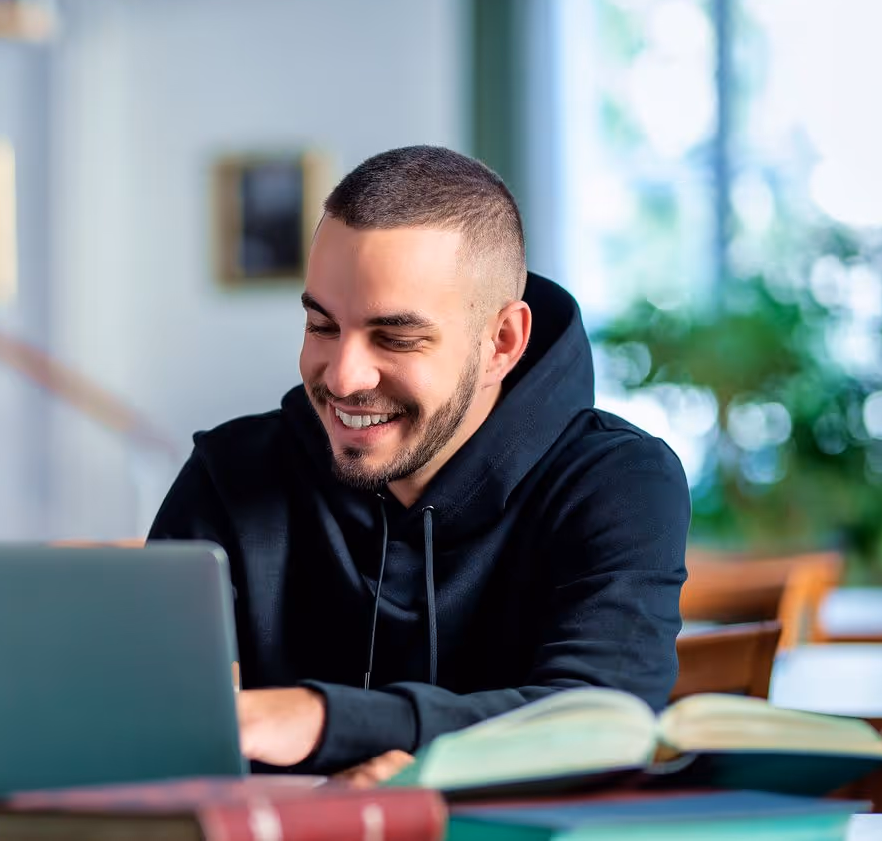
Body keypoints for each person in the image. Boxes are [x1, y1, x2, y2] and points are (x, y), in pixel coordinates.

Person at [148, 146, 689, 778]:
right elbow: (142, 720)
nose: (344, 377)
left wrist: (322, 720)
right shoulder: (229, 473)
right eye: (323, 326)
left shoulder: (619, 483)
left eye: (396, 339)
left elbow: (599, 725)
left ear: (501, 342)